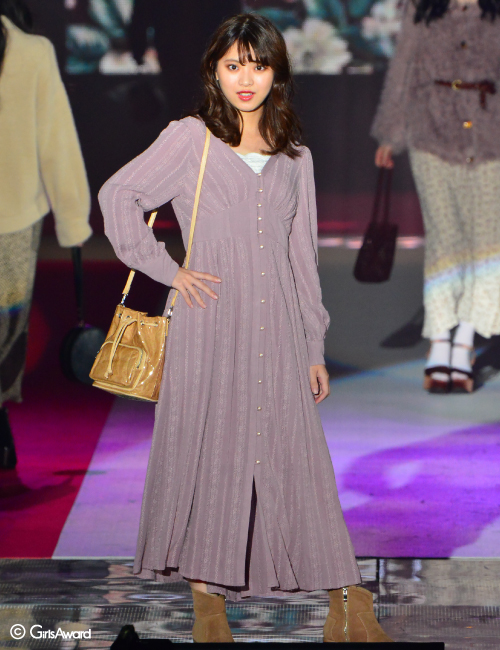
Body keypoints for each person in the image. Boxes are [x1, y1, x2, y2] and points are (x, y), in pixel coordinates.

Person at [99, 13, 393, 643]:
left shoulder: (295, 158)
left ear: (276, 73)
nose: (245, 78)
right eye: (233, 65)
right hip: (208, 324)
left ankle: (348, 596)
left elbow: (302, 260)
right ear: (214, 71)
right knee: (207, 456)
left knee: (298, 460)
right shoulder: (190, 139)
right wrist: (169, 270)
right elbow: (117, 196)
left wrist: (313, 345)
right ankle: (209, 605)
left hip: (279, 330)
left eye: (258, 66)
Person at [372, 0, 500, 394]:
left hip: (492, 137)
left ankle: (465, 342)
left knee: (486, 244)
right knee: (445, 240)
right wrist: (391, 134)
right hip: (431, 132)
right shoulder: (423, 8)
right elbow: (403, 68)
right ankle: (440, 340)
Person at [0, 0, 92, 469]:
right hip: (16, 216)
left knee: (9, 331)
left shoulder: (31, 53)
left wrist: (73, 217)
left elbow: (57, 140)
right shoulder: (31, 51)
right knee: (7, 330)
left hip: (15, 216)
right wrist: (72, 220)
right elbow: (57, 141)